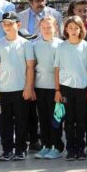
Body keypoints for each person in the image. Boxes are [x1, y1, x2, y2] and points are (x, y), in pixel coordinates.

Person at [0, 12, 35, 161]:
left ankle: (21, 148)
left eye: (10, 23)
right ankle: (7, 149)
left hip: (21, 89)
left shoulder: (26, 44)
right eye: (4, 24)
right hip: (3, 91)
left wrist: (28, 87)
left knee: (22, 121)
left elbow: (30, 67)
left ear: (18, 24)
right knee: (4, 123)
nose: (7, 26)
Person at [54, 16, 87, 161]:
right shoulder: (61, 46)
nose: (73, 30)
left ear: (80, 29)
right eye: (70, 28)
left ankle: (81, 148)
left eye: (76, 28)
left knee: (81, 119)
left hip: (82, 88)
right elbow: (57, 69)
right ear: (65, 29)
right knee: (68, 120)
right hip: (66, 88)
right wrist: (57, 90)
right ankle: (70, 148)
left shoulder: (86, 46)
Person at [32, 15, 64, 160]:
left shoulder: (61, 45)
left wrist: (59, 89)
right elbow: (32, 68)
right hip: (40, 87)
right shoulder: (35, 45)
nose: (46, 30)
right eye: (43, 27)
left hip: (56, 87)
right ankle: (46, 144)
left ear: (55, 28)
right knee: (43, 118)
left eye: (49, 27)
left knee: (56, 118)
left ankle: (57, 146)